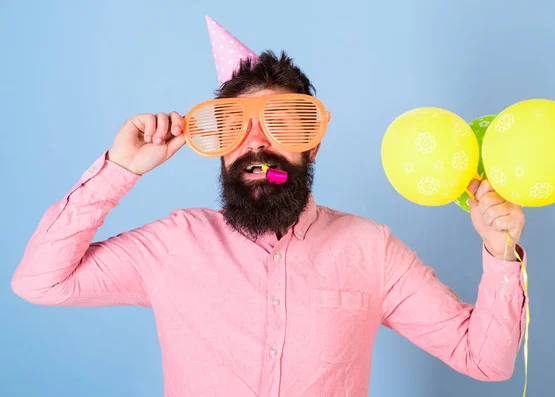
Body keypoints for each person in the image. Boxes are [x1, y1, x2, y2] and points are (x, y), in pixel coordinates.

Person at [11, 16, 527, 397]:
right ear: (219, 149)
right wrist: (120, 169)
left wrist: (500, 254)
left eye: (283, 123)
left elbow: (484, 360)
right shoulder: (174, 244)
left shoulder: (371, 250)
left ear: (313, 143)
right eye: (234, 129)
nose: (256, 146)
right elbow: (40, 281)